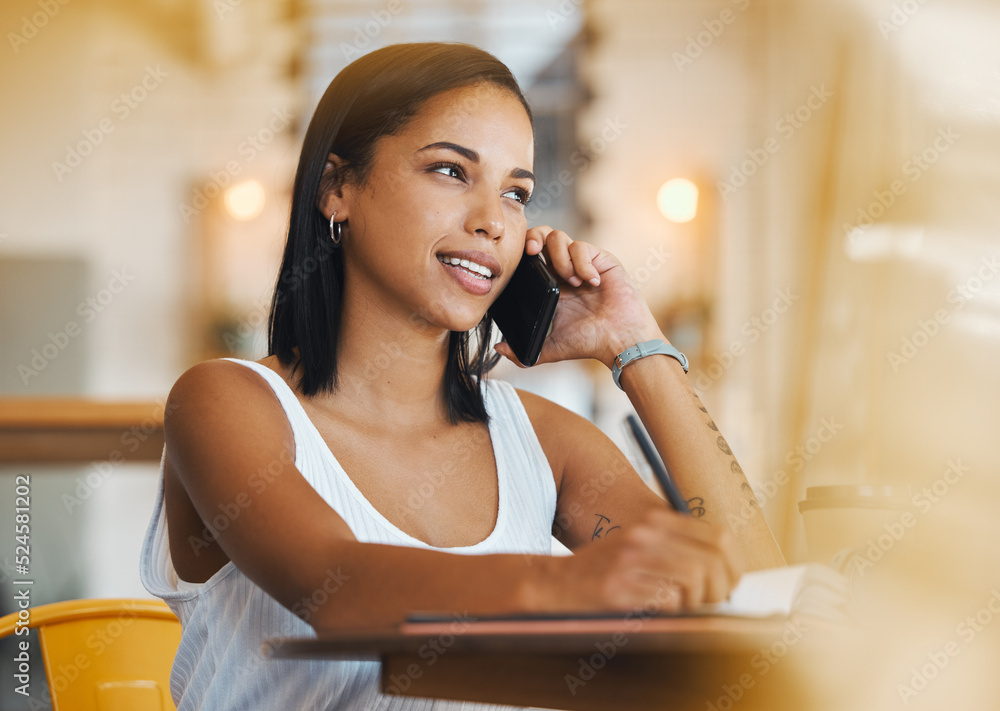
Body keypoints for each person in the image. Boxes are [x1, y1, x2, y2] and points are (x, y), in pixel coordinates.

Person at [141, 41, 784, 710]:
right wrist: (574, 584)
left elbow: (763, 605)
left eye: (516, 192)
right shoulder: (224, 404)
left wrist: (636, 346)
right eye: (451, 170)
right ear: (338, 187)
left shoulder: (542, 442)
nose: (491, 222)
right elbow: (341, 588)